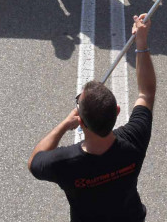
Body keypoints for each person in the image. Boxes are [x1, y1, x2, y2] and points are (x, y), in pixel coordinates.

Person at [29, 13, 155, 221]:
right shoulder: (134, 139)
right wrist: (141, 41)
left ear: (80, 122)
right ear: (117, 111)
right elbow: (146, 93)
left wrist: (63, 125)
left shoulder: (64, 162)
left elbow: (34, 161)